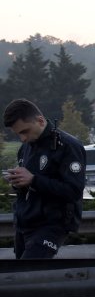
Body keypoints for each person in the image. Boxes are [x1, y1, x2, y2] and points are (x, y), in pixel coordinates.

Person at [2, 98, 86, 259]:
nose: (23, 138)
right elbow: (28, 186)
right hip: (25, 222)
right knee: (19, 279)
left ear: (40, 121)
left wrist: (33, 180)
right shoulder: (25, 147)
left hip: (52, 224)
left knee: (27, 276)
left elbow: (74, 191)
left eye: (25, 131)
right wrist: (17, 182)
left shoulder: (68, 146)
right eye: (18, 134)